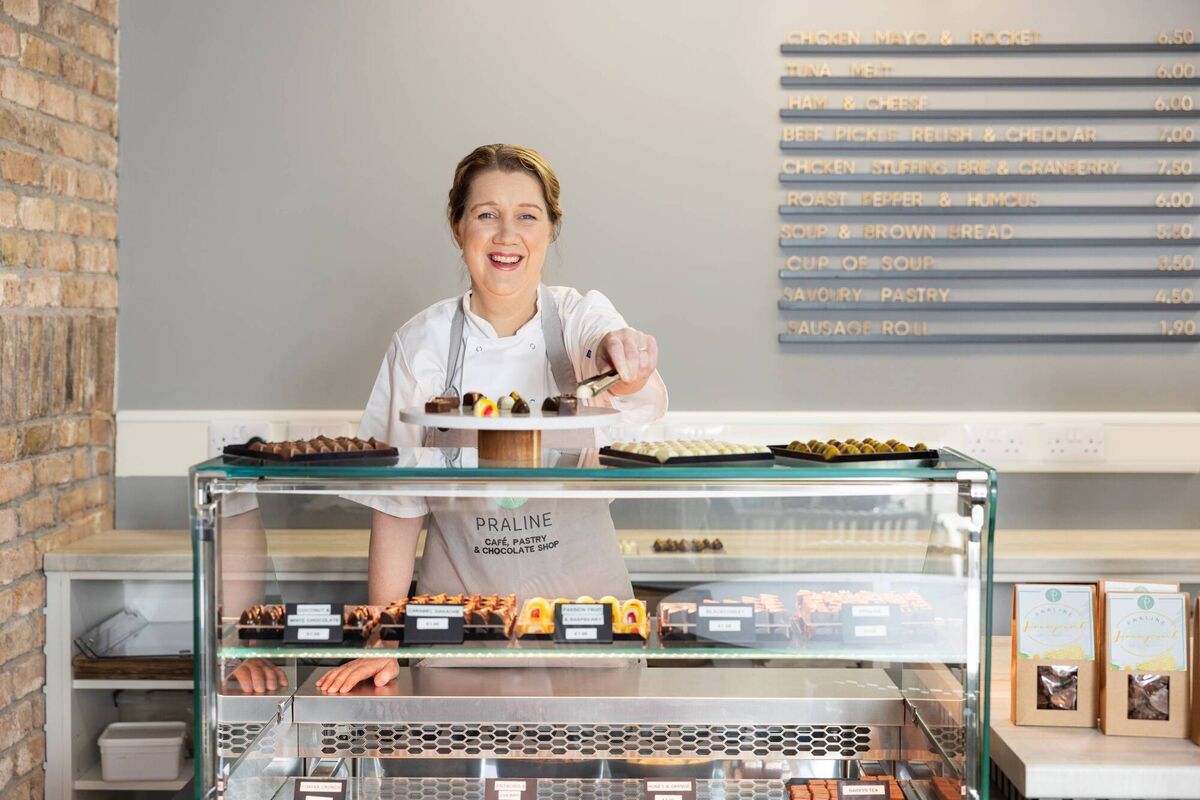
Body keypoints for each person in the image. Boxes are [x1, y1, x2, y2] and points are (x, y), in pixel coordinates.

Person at [317, 144, 667, 693]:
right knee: (462, 776)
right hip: (460, 628)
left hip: (585, 623)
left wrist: (622, 356)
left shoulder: (579, 318)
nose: (507, 236)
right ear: (458, 228)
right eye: (487, 215)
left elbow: (614, 356)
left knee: (588, 777)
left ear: (551, 229)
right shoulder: (421, 343)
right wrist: (381, 638)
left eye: (527, 216)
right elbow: (395, 502)